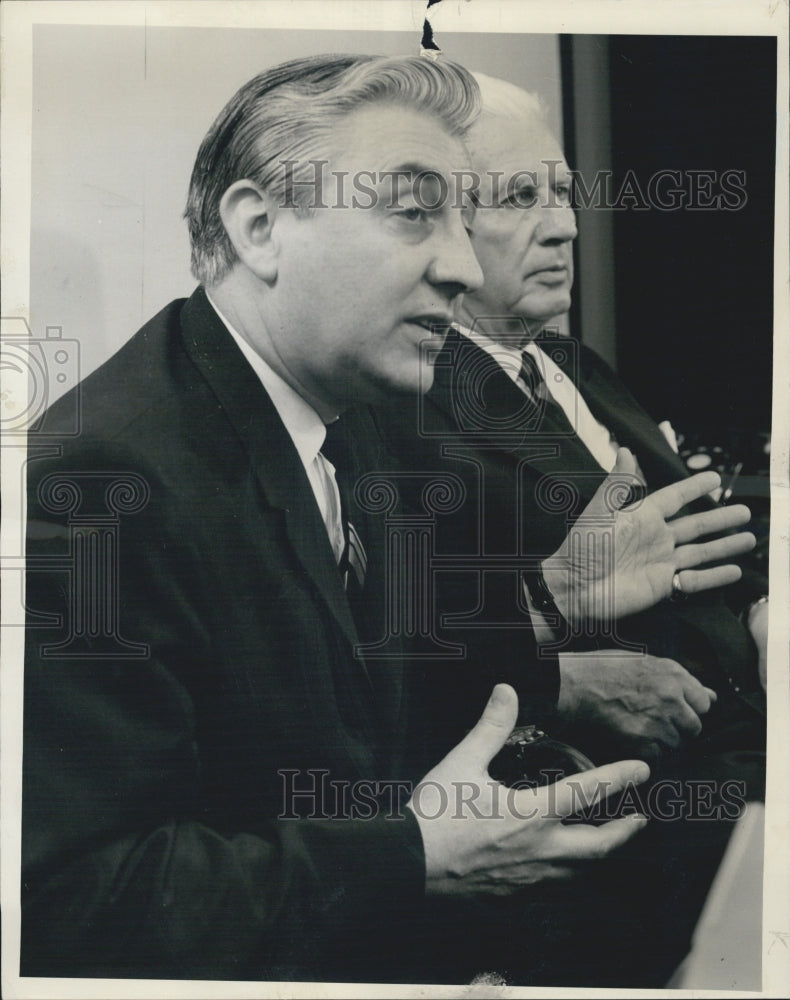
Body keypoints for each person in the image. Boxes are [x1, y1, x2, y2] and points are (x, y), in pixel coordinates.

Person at [21, 54, 755, 986]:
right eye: (414, 213)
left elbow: (376, 658)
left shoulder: (354, 411)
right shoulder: (97, 482)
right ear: (258, 228)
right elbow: (70, 904)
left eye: (460, 215)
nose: (460, 263)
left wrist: (551, 610)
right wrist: (415, 859)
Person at [371, 73, 767, 774]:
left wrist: (766, 612)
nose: (567, 226)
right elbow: (404, 652)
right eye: (523, 198)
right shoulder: (402, 404)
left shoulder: (569, 361)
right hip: (662, 778)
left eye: (562, 194)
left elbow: (709, 533)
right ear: (439, 225)